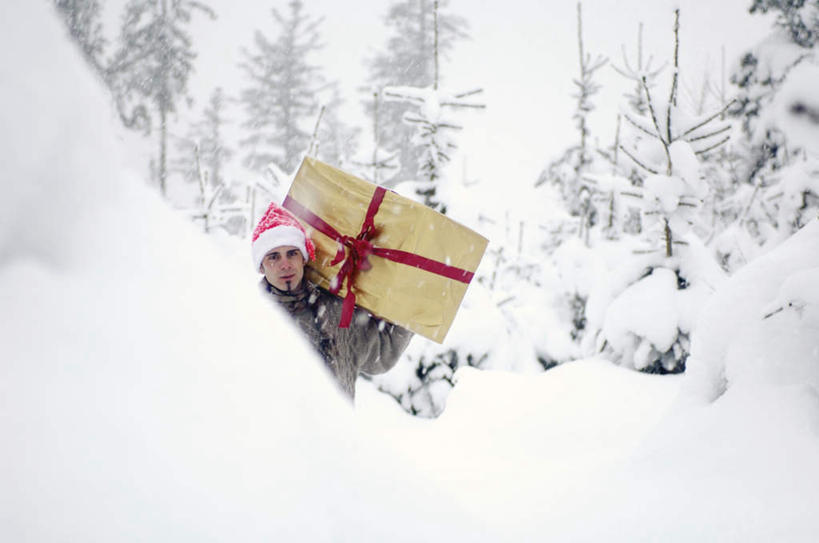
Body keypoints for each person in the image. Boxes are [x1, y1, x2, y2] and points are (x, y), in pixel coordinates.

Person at [251, 201, 413, 399]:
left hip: (339, 429)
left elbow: (382, 353)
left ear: (303, 257)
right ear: (261, 266)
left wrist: (411, 302)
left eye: (292, 253)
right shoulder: (252, 318)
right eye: (273, 257)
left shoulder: (336, 310)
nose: (285, 265)